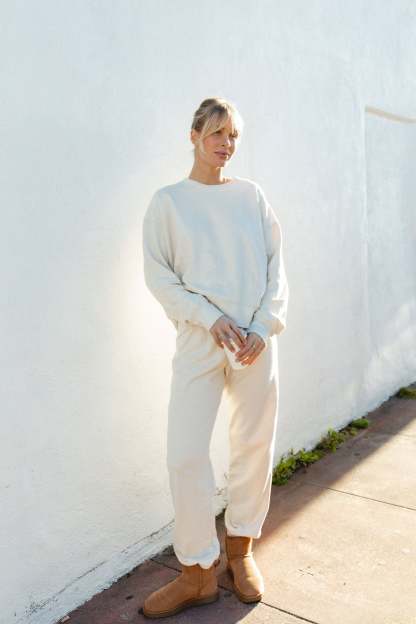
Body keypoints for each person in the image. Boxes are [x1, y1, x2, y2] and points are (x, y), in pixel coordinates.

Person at [140, 97, 289, 618]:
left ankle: (240, 550)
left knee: (254, 443)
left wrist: (263, 326)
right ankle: (198, 572)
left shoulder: (252, 197)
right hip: (201, 341)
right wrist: (208, 316)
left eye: (234, 136)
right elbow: (159, 277)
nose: (226, 144)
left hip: (253, 342)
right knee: (185, 452)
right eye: (217, 133)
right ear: (194, 135)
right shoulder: (168, 203)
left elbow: (276, 267)